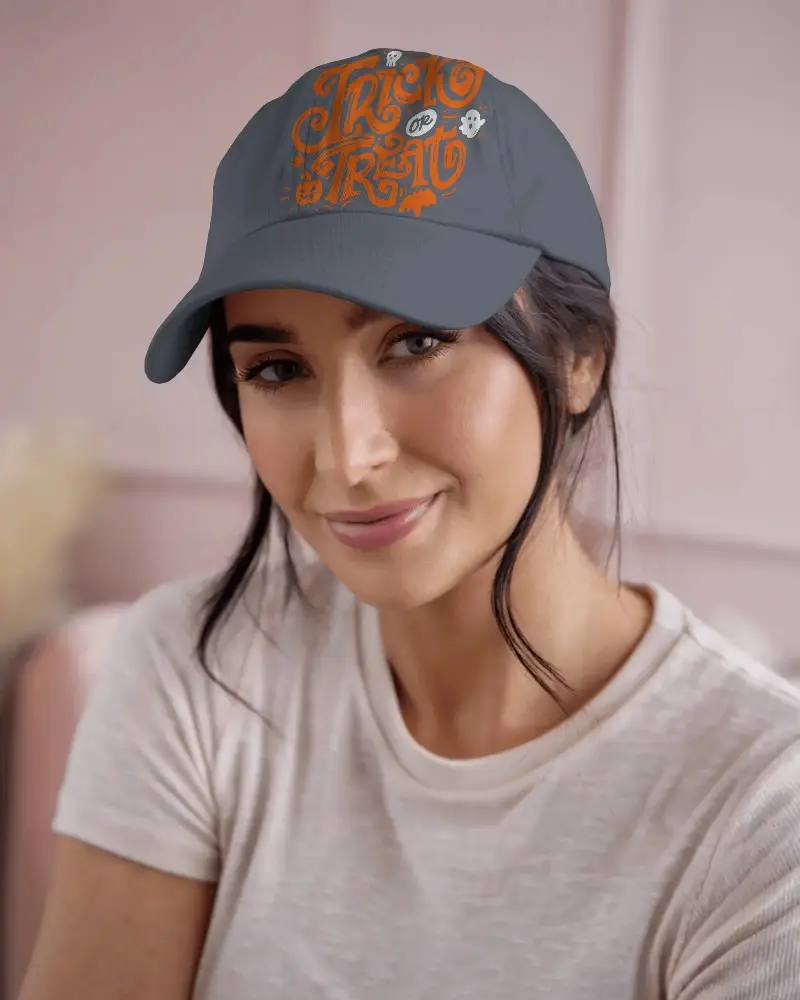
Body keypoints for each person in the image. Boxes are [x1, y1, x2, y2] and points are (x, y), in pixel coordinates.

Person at [19, 47, 800, 1000]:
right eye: (277, 369)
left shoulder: (766, 807)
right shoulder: (195, 669)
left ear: (581, 359)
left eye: (417, 341)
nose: (348, 455)